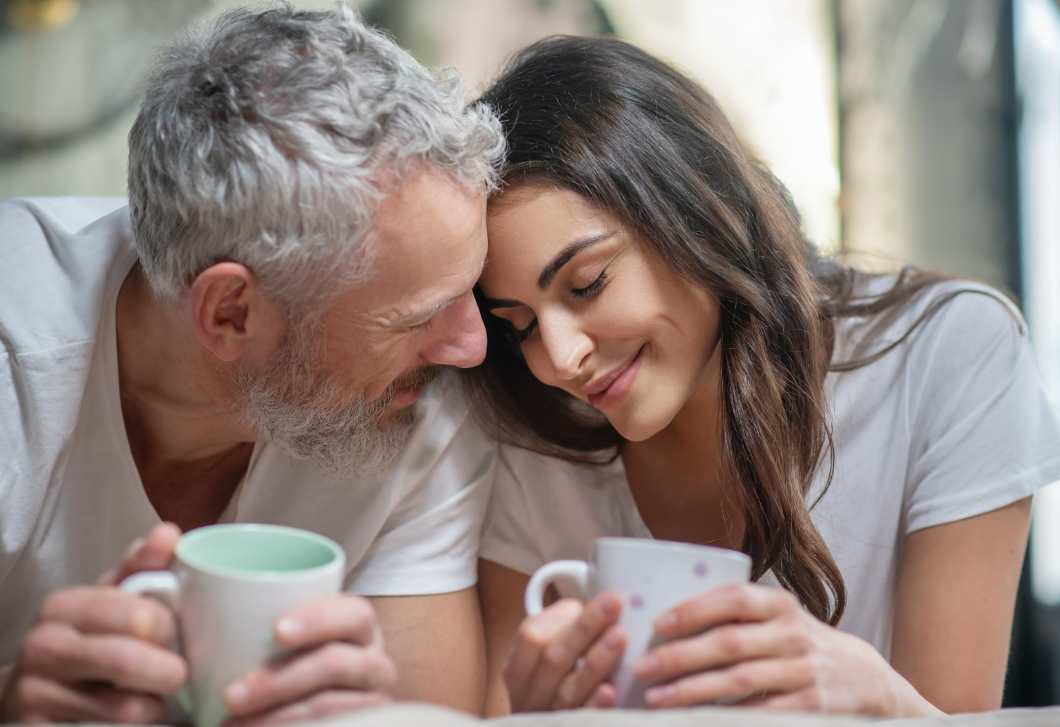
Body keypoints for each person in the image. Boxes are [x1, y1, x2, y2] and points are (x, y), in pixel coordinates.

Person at [465, 36, 1060, 718]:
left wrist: (880, 698)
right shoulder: (533, 436)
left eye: (587, 283)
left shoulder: (947, 353)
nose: (558, 359)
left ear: (698, 211)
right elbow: (503, 708)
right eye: (521, 325)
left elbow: (957, 713)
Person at [0, 4, 504, 724]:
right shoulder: (14, 367)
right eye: (420, 316)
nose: (472, 347)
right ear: (231, 312)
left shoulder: (410, 400)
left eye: (469, 294)